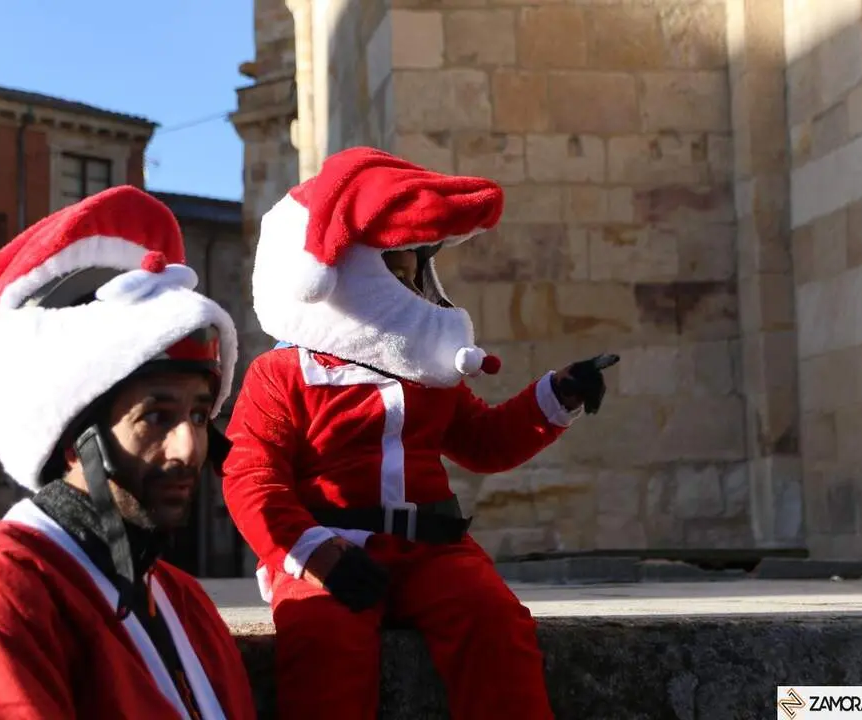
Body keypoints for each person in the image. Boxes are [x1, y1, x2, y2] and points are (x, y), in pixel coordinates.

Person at [221, 146, 619, 719]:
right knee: (324, 646)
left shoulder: (425, 374)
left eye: (415, 265)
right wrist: (310, 551)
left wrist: (557, 395)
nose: (412, 281)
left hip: (433, 552)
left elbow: (481, 442)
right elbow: (251, 478)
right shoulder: (282, 374)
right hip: (329, 552)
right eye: (396, 266)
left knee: (495, 624)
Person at [0, 186, 255, 720]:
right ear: (71, 439)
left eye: (199, 415)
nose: (188, 448)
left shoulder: (184, 600)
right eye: (156, 416)